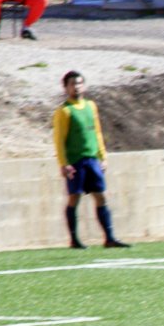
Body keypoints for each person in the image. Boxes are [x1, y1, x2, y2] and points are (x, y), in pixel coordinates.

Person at [53, 70, 130, 249]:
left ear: (84, 86)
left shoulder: (91, 106)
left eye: (79, 83)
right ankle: (74, 240)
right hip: (75, 161)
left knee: (101, 196)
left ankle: (109, 238)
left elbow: (97, 132)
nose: (76, 87)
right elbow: (59, 139)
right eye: (72, 84)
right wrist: (64, 164)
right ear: (66, 88)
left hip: (92, 159)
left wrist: (103, 156)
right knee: (74, 198)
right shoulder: (64, 111)